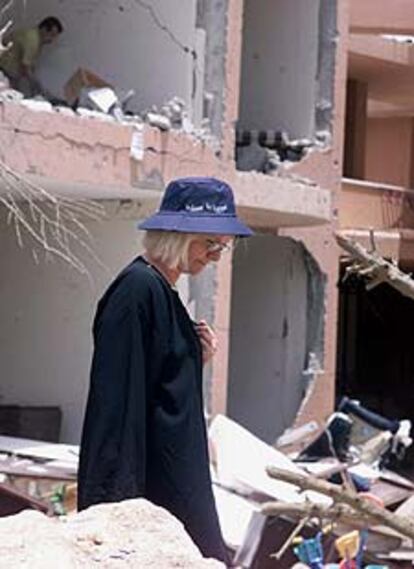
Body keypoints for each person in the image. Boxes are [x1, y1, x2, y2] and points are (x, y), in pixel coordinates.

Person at [78, 177, 253, 564]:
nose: (213, 256)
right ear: (177, 235)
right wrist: (114, 510)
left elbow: (162, 384)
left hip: (175, 483)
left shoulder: (162, 291)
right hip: (152, 491)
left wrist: (194, 359)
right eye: (210, 244)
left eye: (221, 248)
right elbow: (118, 405)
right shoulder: (137, 291)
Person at [0, 17, 63, 98]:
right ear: (44, 29)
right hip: (5, 69)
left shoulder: (34, 35)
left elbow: (29, 64)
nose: (52, 40)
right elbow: (25, 67)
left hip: (9, 68)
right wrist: (36, 86)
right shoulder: (33, 40)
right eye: (52, 35)